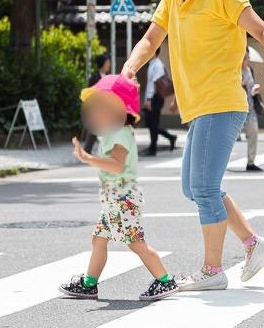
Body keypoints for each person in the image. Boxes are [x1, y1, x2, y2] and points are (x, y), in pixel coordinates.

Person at [121, 0, 264, 291]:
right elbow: (150, 38)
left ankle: (212, 270)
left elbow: (262, 29)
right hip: (199, 108)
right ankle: (252, 243)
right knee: (193, 189)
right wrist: (130, 68)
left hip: (221, 101)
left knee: (205, 188)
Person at [59, 75, 178, 302]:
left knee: (134, 241)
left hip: (123, 195)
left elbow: (117, 165)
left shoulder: (120, 133)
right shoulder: (113, 132)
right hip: (114, 196)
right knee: (99, 239)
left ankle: (165, 280)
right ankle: (89, 284)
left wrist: (88, 158)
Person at [142, 47, 177, 156]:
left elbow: (154, 84)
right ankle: (170, 137)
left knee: (153, 123)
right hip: (153, 98)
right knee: (151, 123)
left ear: (154, 52)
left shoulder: (157, 65)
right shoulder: (153, 64)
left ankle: (153, 148)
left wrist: (148, 100)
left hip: (155, 98)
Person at [82, 53, 112, 153]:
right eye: (108, 62)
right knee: (94, 130)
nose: (109, 64)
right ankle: (87, 152)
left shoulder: (108, 77)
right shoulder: (94, 78)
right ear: (103, 64)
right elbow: (88, 92)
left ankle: (108, 151)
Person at [241, 61, 262, 172]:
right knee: (227, 139)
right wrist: (240, 84)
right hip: (237, 109)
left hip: (250, 109)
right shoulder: (234, 70)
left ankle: (251, 162)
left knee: (254, 133)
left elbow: (251, 86)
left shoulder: (250, 70)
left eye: (247, 56)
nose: (246, 58)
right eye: (244, 56)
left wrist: (255, 88)